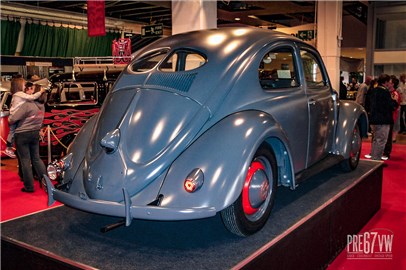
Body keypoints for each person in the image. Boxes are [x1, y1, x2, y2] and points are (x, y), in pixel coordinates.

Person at [8, 83, 47, 193]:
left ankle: (29, 187)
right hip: (35, 133)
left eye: (33, 89)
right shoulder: (42, 106)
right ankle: (45, 182)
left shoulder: (27, 104)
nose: (30, 91)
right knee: (36, 158)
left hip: (22, 134)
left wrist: (10, 118)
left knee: (25, 160)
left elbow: (12, 119)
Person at [3, 78, 45, 158]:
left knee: (12, 132)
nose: (26, 87)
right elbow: (31, 98)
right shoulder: (20, 94)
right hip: (17, 119)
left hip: (18, 122)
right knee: (12, 132)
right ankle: (8, 147)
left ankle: (9, 147)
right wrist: (40, 92)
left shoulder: (17, 95)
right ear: (19, 85)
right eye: (24, 85)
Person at [366, 74, 398, 161]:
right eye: (388, 82)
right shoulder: (385, 92)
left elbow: (368, 104)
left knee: (376, 139)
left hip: (373, 119)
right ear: (386, 82)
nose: (389, 84)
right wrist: (394, 101)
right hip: (383, 120)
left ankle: (373, 156)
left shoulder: (373, 90)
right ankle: (376, 160)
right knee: (381, 141)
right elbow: (391, 106)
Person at [382, 77, 401, 159]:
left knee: (388, 136)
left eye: (389, 82)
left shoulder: (394, 94)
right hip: (385, 116)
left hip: (391, 116)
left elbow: (394, 106)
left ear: (392, 84)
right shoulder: (387, 92)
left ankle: (387, 153)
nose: (387, 83)